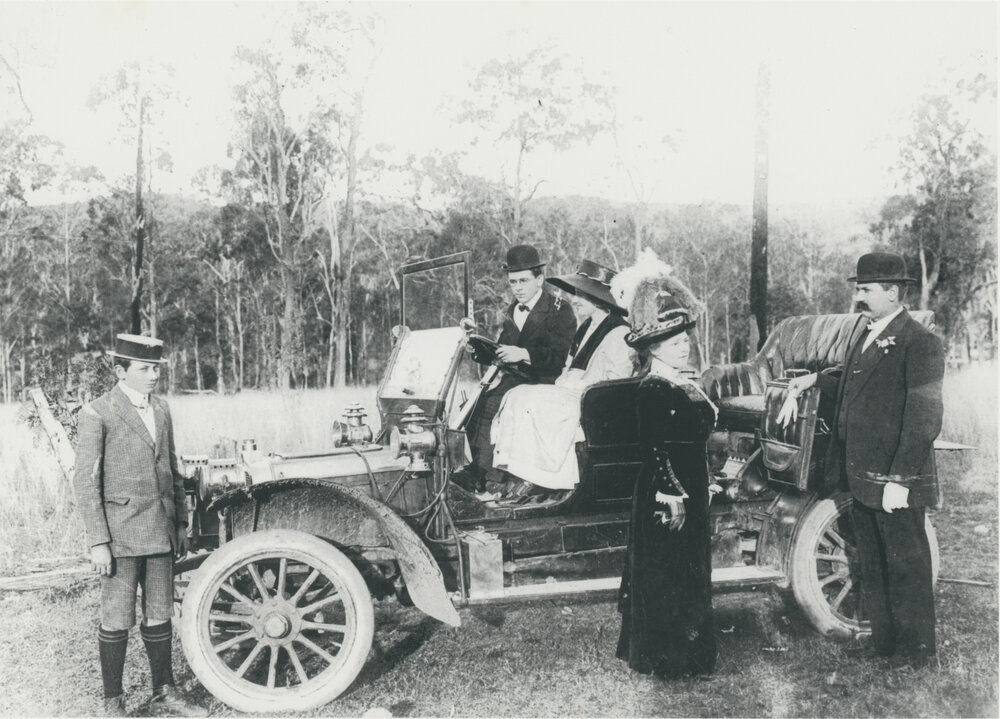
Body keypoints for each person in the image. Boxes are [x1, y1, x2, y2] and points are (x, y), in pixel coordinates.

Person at [776, 252, 943, 665]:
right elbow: (849, 380)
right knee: (873, 560)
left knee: (905, 564)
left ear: (891, 292)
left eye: (865, 289)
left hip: (893, 479)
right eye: (859, 288)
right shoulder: (866, 332)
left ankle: (916, 651)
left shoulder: (919, 342)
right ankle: (884, 643)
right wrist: (810, 381)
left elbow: (924, 417)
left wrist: (899, 480)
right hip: (861, 476)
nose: (858, 296)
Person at [73, 334, 208, 717]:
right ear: (121, 371)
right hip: (120, 537)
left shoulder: (162, 409)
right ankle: (113, 703)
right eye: (145, 369)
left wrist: (181, 523)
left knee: (159, 613)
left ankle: (163, 692)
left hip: (161, 532)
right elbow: (85, 481)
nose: (153, 376)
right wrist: (98, 541)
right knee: (116, 618)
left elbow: (172, 467)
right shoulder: (98, 412)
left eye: (156, 369)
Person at [615, 276, 717, 679]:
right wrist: (671, 494)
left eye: (685, 340)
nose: (685, 346)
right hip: (667, 493)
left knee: (687, 568)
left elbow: (694, 438)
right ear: (654, 349)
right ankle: (668, 659)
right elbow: (653, 449)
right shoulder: (654, 388)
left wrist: (703, 482)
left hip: (688, 485)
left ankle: (689, 655)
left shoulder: (681, 381)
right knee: (667, 572)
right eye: (675, 343)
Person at [490, 259, 632, 498]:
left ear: (599, 300)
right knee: (517, 394)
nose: (574, 300)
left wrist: (574, 387)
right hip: (570, 389)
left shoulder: (619, 332)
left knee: (530, 399)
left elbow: (615, 384)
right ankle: (524, 472)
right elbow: (568, 368)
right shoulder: (587, 327)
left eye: (580, 295)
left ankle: (541, 475)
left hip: (591, 400)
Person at [460, 244, 577, 493]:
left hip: (546, 382)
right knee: (473, 406)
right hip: (516, 378)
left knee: (491, 406)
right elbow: (504, 348)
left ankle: (494, 479)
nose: (518, 288)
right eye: (513, 282)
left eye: (524, 281)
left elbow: (559, 357)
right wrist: (479, 351)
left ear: (540, 279)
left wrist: (523, 353)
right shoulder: (514, 308)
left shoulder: (560, 309)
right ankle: (478, 471)